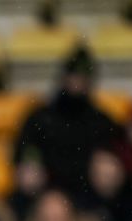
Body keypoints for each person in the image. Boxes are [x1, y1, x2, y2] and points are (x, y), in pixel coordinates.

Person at [14, 47, 121, 203]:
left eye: (82, 78)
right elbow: (25, 152)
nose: (77, 83)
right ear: (63, 78)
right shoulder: (40, 118)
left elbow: (113, 154)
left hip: (88, 198)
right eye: (73, 76)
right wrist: (30, 165)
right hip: (44, 197)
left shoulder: (101, 121)